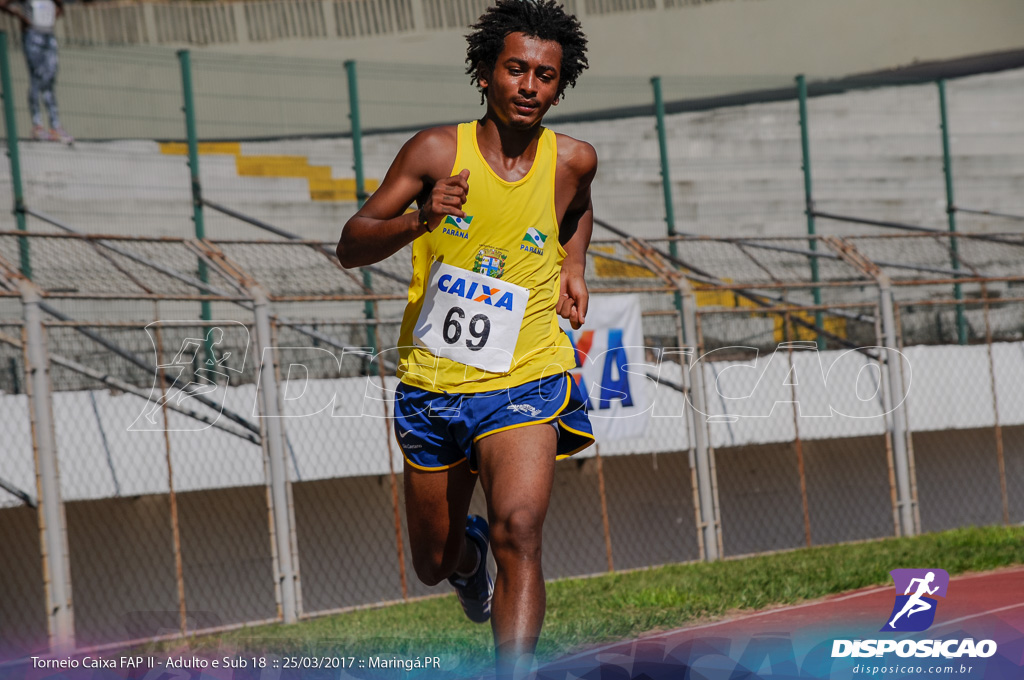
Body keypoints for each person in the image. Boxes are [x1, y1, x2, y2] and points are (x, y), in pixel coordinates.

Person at [336, 1, 596, 676]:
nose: (530, 85)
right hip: (434, 387)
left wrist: (572, 265)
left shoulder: (573, 160)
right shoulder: (433, 151)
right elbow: (351, 244)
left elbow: (577, 209)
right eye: (516, 70)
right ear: (485, 73)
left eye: (545, 75)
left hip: (526, 378)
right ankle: (467, 558)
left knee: (521, 529)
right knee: (433, 561)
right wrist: (419, 220)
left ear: (559, 87)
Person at [0, 0, 73, 143]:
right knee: (36, 80)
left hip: (48, 36)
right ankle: (37, 126)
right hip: (32, 36)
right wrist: (21, 17)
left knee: (49, 80)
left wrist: (52, 19)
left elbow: (60, 6)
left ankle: (55, 127)